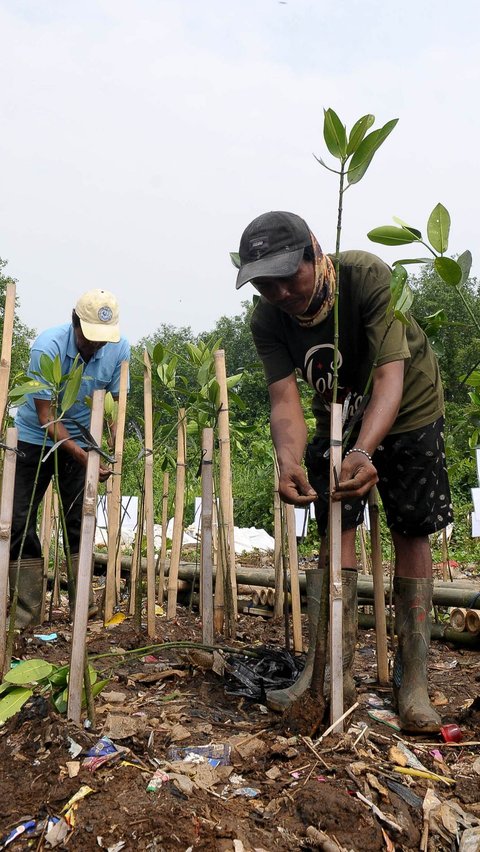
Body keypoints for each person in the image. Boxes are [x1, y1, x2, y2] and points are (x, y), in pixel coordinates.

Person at [234, 210, 453, 733]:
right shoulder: (267, 322)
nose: (282, 291)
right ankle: (331, 671)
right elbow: (284, 401)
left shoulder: (366, 276)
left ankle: (413, 682)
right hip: (339, 417)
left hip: (408, 407)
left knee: (412, 527)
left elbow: (389, 377)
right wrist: (288, 460)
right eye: (266, 284)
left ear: (316, 250)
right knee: (337, 523)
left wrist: (366, 451)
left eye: (290, 275)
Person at [9, 289, 130, 628]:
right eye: (90, 338)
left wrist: (112, 441)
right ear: (75, 323)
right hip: (36, 439)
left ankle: (83, 609)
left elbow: (115, 406)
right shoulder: (47, 348)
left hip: (81, 440)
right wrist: (81, 456)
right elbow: (46, 416)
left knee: (80, 519)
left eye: (103, 339)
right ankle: (27, 612)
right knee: (17, 520)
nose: (97, 346)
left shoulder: (119, 348)